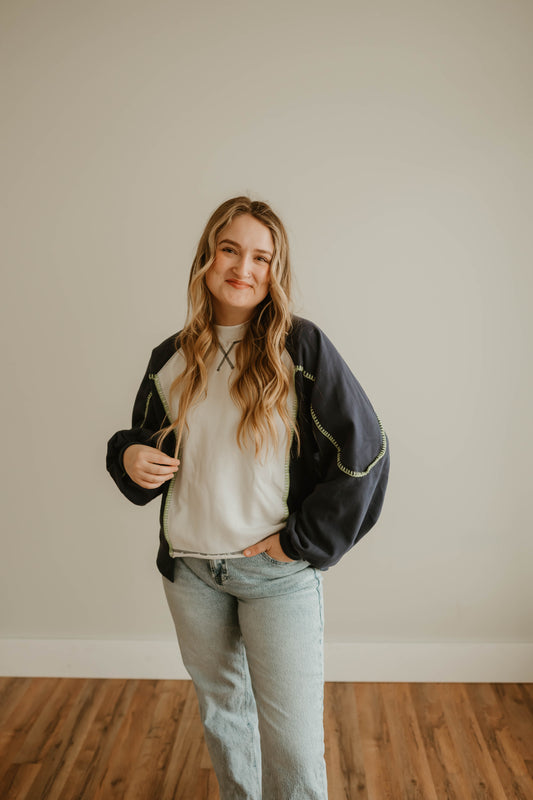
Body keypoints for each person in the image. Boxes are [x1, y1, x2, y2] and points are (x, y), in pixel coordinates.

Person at [106, 196, 389, 800]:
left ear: (275, 270)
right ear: (207, 256)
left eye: (262, 256)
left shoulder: (301, 348)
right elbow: (138, 442)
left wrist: (301, 544)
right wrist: (128, 455)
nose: (245, 267)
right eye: (231, 249)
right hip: (190, 571)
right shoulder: (171, 358)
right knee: (224, 716)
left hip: (275, 574)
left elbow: (364, 452)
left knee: (290, 742)